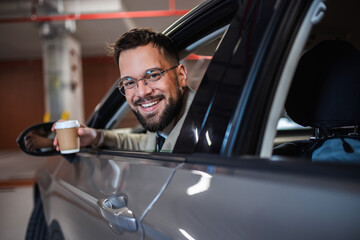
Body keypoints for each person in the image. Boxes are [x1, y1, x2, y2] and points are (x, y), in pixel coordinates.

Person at [52, 28, 195, 153]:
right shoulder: (167, 125)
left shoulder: (206, 131)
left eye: (153, 75)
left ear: (181, 76)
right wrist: (96, 137)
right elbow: (144, 143)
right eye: (129, 82)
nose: (142, 92)